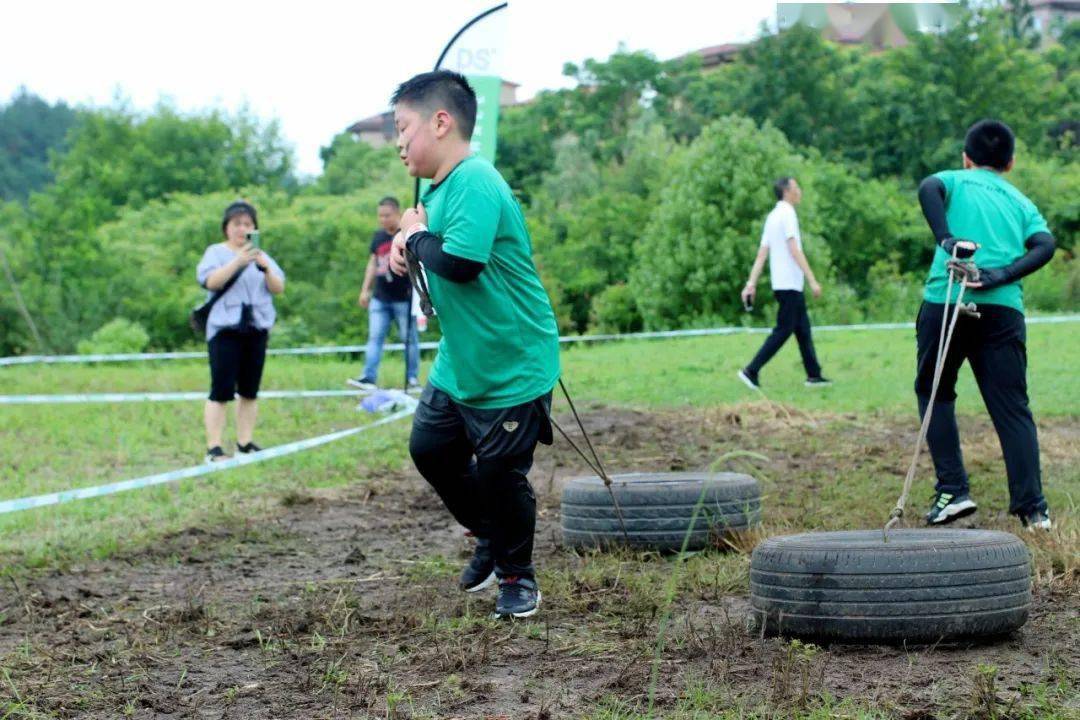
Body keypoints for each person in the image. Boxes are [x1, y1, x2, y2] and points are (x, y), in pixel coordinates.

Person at [387, 70, 560, 619]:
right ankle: (490, 533)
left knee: (499, 474)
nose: (397, 142)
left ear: (441, 123)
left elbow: (461, 263)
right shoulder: (439, 192)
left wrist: (415, 236)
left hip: (511, 361)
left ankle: (517, 576)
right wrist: (404, 248)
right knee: (430, 450)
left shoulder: (477, 179)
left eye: (403, 127)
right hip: (460, 360)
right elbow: (432, 249)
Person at [915, 119, 1055, 530]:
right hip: (1003, 310)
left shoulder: (954, 180)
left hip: (946, 300)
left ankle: (953, 491)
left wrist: (946, 239)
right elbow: (1045, 244)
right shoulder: (1020, 201)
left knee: (935, 392)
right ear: (1010, 163)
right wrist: (1002, 274)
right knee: (1012, 408)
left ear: (966, 158)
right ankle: (1034, 509)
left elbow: (928, 187)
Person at [196, 201, 285, 464]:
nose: (242, 229)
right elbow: (210, 281)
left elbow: (278, 287)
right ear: (226, 227)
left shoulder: (262, 255)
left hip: (256, 327)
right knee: (221, 389)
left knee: (249, 390)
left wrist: (264, 267)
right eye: (237, 224)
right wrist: (238, 262)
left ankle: (245, 443)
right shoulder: (215, 252)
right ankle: (213, 448)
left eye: (248, 224)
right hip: (225, 328)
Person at [737, 177, 830, 390]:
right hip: (790, 283)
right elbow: (794, 249)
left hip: (782, 284)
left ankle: (814, 375)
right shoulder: (788, 214)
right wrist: (812, 279)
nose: (800, 191)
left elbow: (762, 254)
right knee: (784, 329)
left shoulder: (772, 216)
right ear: (787, 191)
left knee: (802, 329)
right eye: (796, 187)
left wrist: (751, 283)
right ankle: (751, 371)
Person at [347, 196, 421, 393]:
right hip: (380, 297)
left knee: (409, 338)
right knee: (375, 337)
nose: (383, 219)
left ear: (397, 214)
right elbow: (373, 263)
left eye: (387, 215)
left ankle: (412, 377)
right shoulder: (378, 236)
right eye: (380, 216)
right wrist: (365, 289)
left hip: (404, 298)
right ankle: (368, 377)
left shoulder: (406, 234)